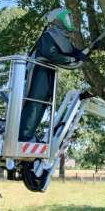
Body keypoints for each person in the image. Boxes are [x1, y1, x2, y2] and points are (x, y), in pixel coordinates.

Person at [19, 8, 87, 142]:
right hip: (39, 72)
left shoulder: (61, 38)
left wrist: (88, 50)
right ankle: (22, 136)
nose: (70, 20)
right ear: (57, 19)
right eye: (67, 17)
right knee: (35, 102)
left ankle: (28, 135)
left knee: (43, 103)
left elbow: (72, 52)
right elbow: (51, 54)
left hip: (49, 73)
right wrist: (72, 59)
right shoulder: (48, 35)